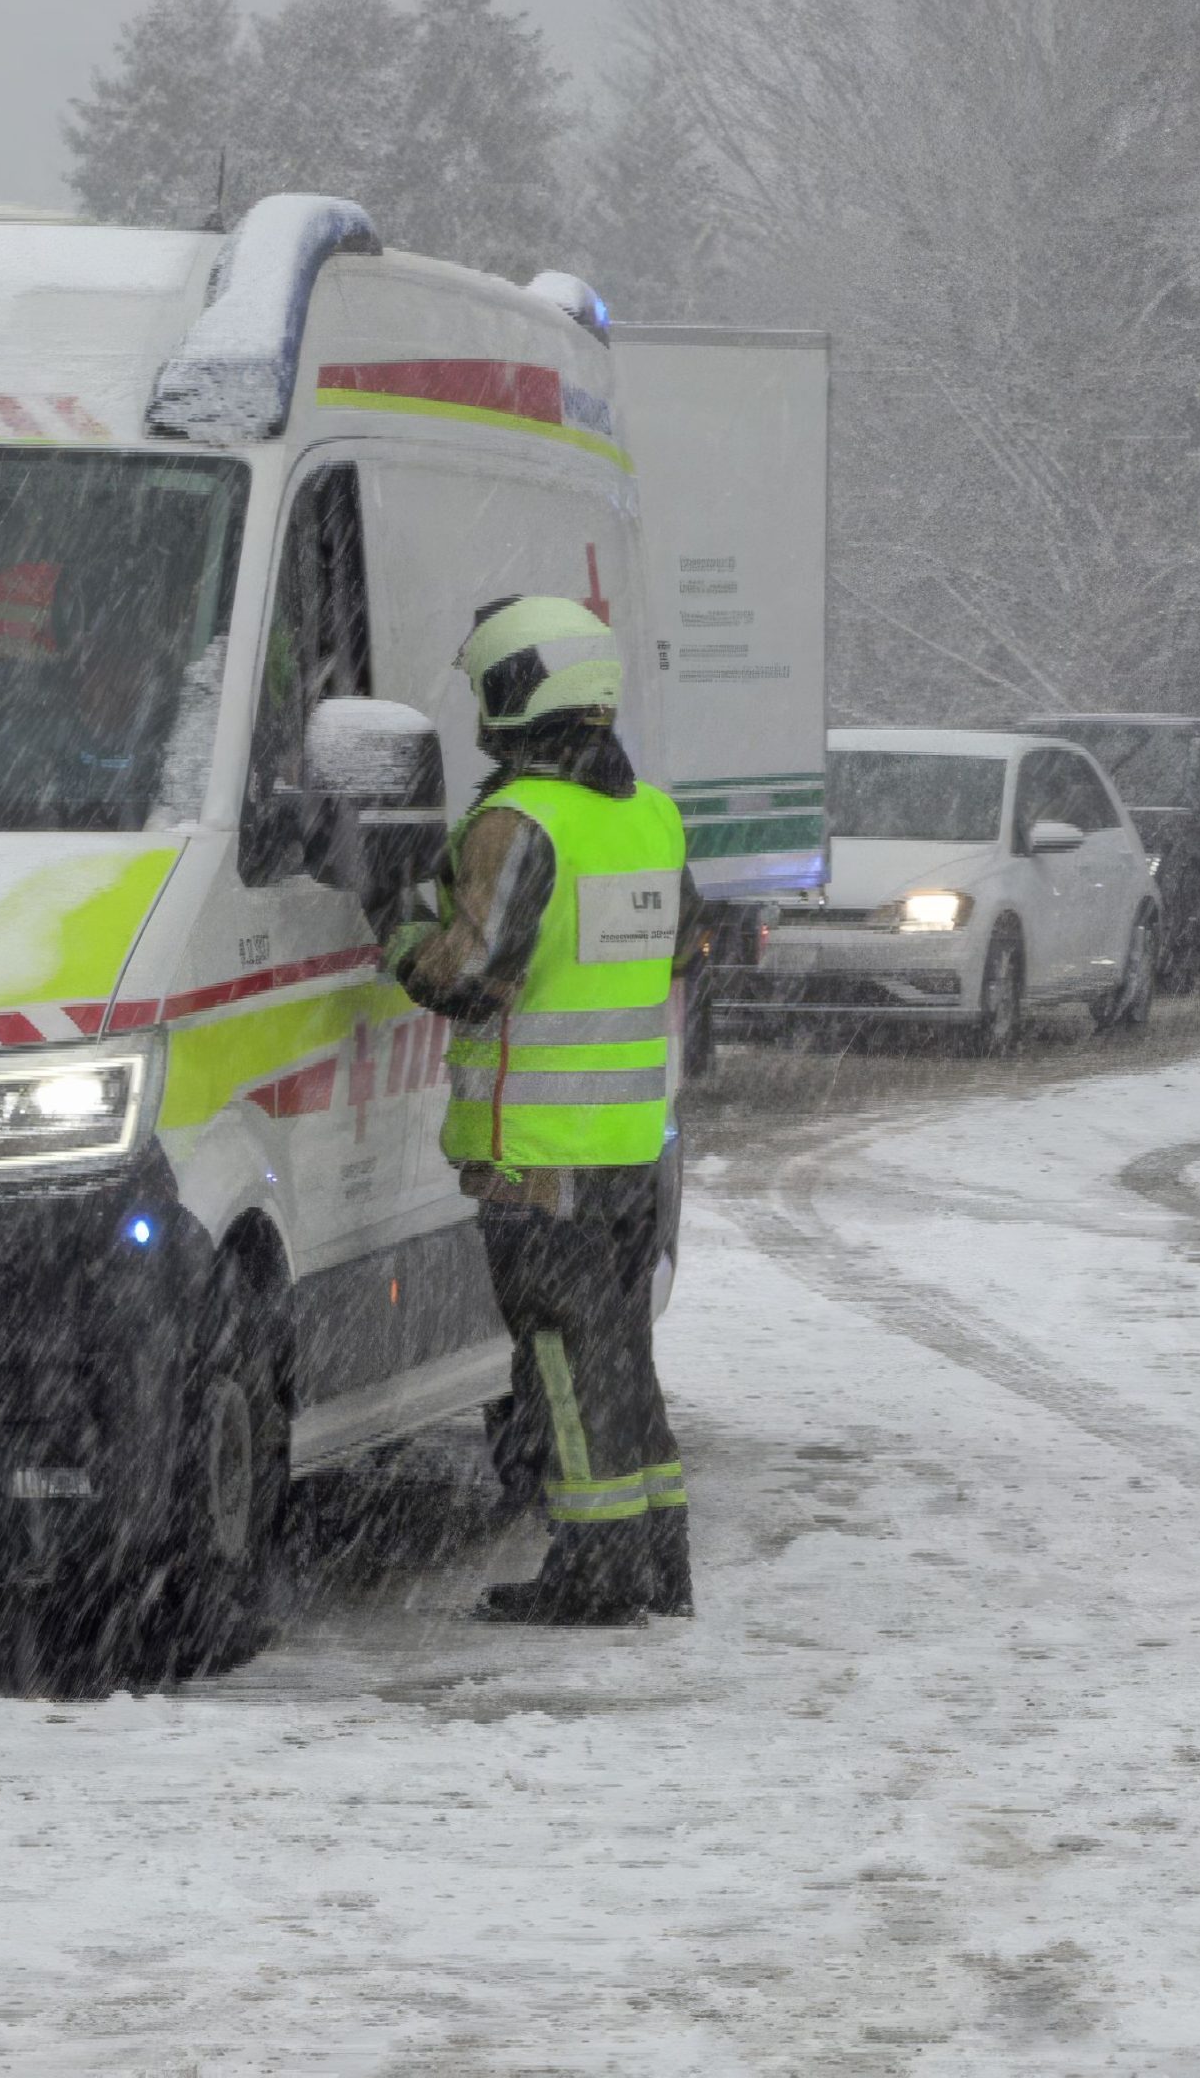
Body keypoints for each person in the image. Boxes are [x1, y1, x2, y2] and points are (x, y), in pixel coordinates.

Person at [388, 595, 698, 1626]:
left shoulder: (519, 822)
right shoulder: (649, 815)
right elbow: (683, 943)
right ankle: (657, 1557)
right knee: (621, 1356)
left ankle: (595, 1572)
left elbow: (468, 974)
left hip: (539, 1156)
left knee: (564, 1361)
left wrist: (398, 926)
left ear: (516, 689)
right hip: (628, 1146)